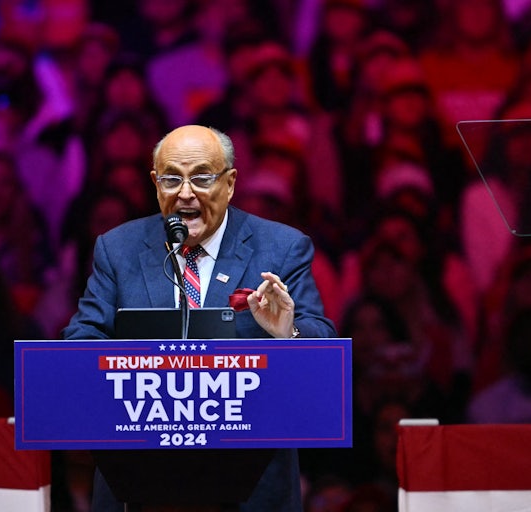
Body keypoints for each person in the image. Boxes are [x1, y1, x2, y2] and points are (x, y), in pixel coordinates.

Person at [62, 124, 337, 512]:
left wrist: (287, 334)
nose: (185, 193)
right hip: (138, 481)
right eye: (172, 179)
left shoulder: (281, 247)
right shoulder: (117, 248)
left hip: (250, 485)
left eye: (202, 178)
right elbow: (82, 338)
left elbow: (323, 348)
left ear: (230, 183)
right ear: (156, 184)